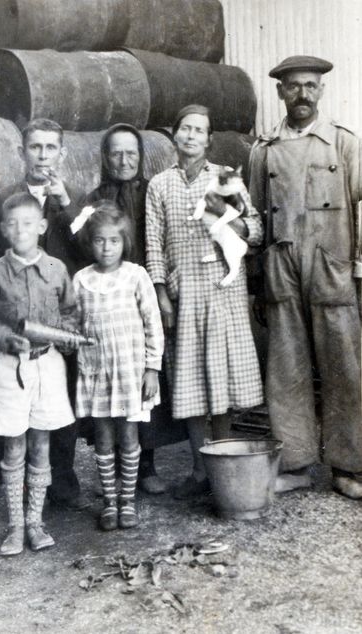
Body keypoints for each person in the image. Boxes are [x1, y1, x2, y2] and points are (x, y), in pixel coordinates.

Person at [248, 55, 362, 497]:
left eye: (310, 86)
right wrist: (257, 279)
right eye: (293, 86)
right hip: (282, 269)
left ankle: (348, 466)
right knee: (286, 368)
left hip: (332, 269)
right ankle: (295, 464)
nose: (302, 94)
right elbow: (254, 221)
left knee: (345, 368)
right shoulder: (264, 150)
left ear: (322, 90)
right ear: (280, 92)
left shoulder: (343, 144)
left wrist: (359, 268)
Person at [146, 104, 264, 500]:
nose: (192, 136)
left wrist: (227, 217)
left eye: (200, 130)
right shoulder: (159, 185)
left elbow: (256, 230)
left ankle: (224, 462)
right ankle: (199, 469)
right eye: (186, 129)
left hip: (222, 289)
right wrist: (161, 293)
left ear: (210, 140)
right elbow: (154, 246)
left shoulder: (224, 178)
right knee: (190, 379)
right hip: (185, 293)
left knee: (224, 375)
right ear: (175, 135)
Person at [0, 118, 87, 511]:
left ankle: (60, 482)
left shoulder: (73, 199)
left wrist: (65, 204)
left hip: (60, 316)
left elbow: (88, 253)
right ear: (21, 152)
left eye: (50, 148)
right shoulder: (0, 200)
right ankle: (19, 487)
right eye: (35, 147)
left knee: (61, 400)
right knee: (16, 398)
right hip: (17, 319)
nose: (43, 156)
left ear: (62, 152)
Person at [0, 192, 79, 556]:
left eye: (28, 223)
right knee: (14, 445)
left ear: (42, 227)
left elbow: (70, 313)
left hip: (47, 365)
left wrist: (65, 335)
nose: (20, 230)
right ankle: (15, 526)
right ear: (2, 229)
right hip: (10, 367)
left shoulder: (56, 270)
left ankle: (36, 522)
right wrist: (6, 339)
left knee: (40, 444)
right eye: (12, 224)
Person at [87, 123, 175, 494]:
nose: (124, 161)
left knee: (146, 380)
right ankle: (114, 471)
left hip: (143, 292)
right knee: (111, 385)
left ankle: (147, 465)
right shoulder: (93, 198)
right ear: (106, 158)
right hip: (111, 298)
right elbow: (80, 237)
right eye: (116, 153)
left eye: (131, 153)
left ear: (140, 157)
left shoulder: (152, 190)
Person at [72, 201, 164, 530]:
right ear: (89, 242)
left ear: (124, 241)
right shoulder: (81, 280)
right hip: (97, 373)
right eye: (99, 240)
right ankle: (109, 502)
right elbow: (74, 323)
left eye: (114, 240)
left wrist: (152, 368)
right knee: (103, 437)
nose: (107, 247)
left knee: (129, 436)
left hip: (130, 373)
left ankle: (127, 501)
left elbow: (153, 323)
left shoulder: (136, 276)